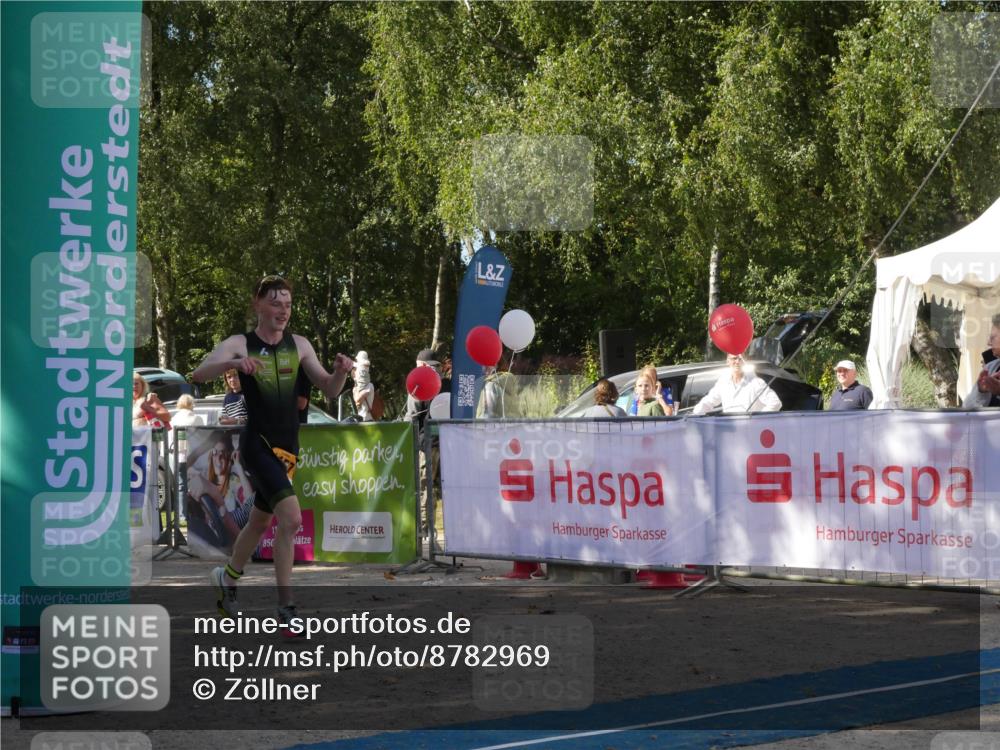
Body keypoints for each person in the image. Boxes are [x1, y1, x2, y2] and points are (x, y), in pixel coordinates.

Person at [192, 275, 352, 627]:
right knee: (291, 519)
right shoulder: (240, 343)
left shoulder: (301, 345)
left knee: (260, 521)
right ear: (258, 304)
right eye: (276, 304)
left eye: (288, 305)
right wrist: (233, 364)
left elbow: (329, 389)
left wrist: (341, 372)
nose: (283, 311)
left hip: (288, 449)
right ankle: (286, 607)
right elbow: (199, 374)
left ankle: (227, 579)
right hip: (257, 445)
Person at [186, 432, 251, 550]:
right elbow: (184, 466)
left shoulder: (234, 481)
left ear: (230, 457)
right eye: (215, 453)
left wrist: (239, 466)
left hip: (228, 536)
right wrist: (206, 445)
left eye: (223, 453)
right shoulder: (205, 476)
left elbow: (250, 503)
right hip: (208, 535)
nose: (218, 458)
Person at [693, 353, 782, 415]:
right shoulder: (723, 382)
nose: (737, 361)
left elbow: (775, 403)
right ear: (728, 361)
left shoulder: (755, 382)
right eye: (734, 358)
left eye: (741, 359)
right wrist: (694, 415)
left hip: (750, 434)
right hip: (731, 433)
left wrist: (757, 420)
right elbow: (709, 401)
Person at [965, 314, 1000, 408]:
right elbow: (966, 409)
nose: (989, 343)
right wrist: (981, 391)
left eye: (993, 338)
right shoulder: (991, 367)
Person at [352, 350, 375, 421]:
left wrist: (355, 390)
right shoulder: (356, 388)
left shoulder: (369, 386)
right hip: (361, 420)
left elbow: (357, 400)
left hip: (367, 420)